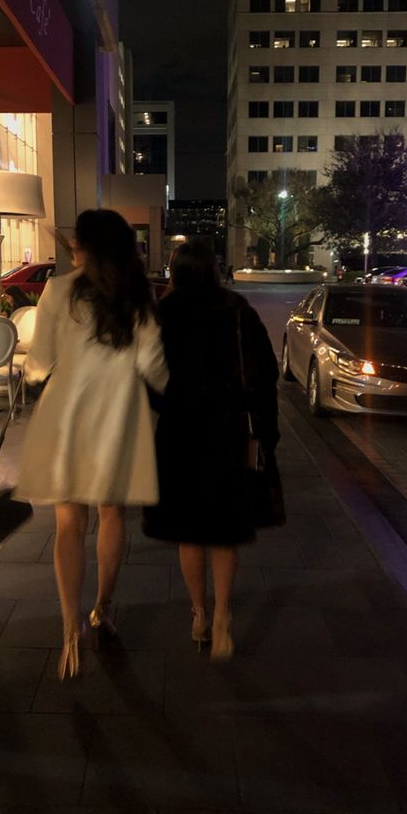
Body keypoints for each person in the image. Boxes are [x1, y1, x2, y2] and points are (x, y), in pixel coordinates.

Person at [16, 209, 169, 680]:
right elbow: (155, 367)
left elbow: (40, 362)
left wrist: (33, 373)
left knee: (67, 524)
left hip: (67, 420)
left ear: (84, 247)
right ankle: (103, 608)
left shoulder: (58, 291)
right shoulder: (136, 296)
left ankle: (68, 626)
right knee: (111, 513)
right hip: (118, 419)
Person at [143, 241, 279, 661]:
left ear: (176, 270)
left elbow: (149, 376)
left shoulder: (163, 313)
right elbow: (267, 372)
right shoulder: (239, 310)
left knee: (189, 531)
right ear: (214, 269)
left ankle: (199, 614)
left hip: (180, 432)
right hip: (228, 431)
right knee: (223, 529)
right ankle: (223, 613)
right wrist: (265, 431)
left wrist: (168, 405)